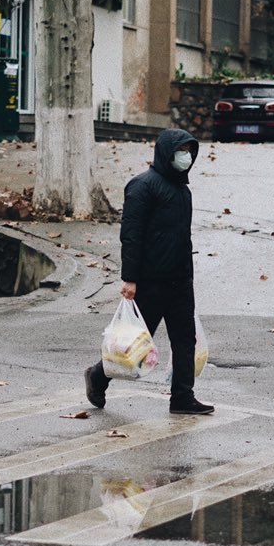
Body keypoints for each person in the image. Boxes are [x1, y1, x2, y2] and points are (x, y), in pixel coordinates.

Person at [84, 129, 214, 415]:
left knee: (185, 340)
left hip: (180, 281)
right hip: (150, 282)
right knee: (135, 344)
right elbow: (131, 235)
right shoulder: (142, 186)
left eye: (190, 151)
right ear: (166, 153)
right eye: (181, 150)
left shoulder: (183, 191)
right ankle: (98, 376)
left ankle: (182, 397)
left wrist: (189, 277)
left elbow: (183, 238)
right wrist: (129, 278)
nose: (186, 156)